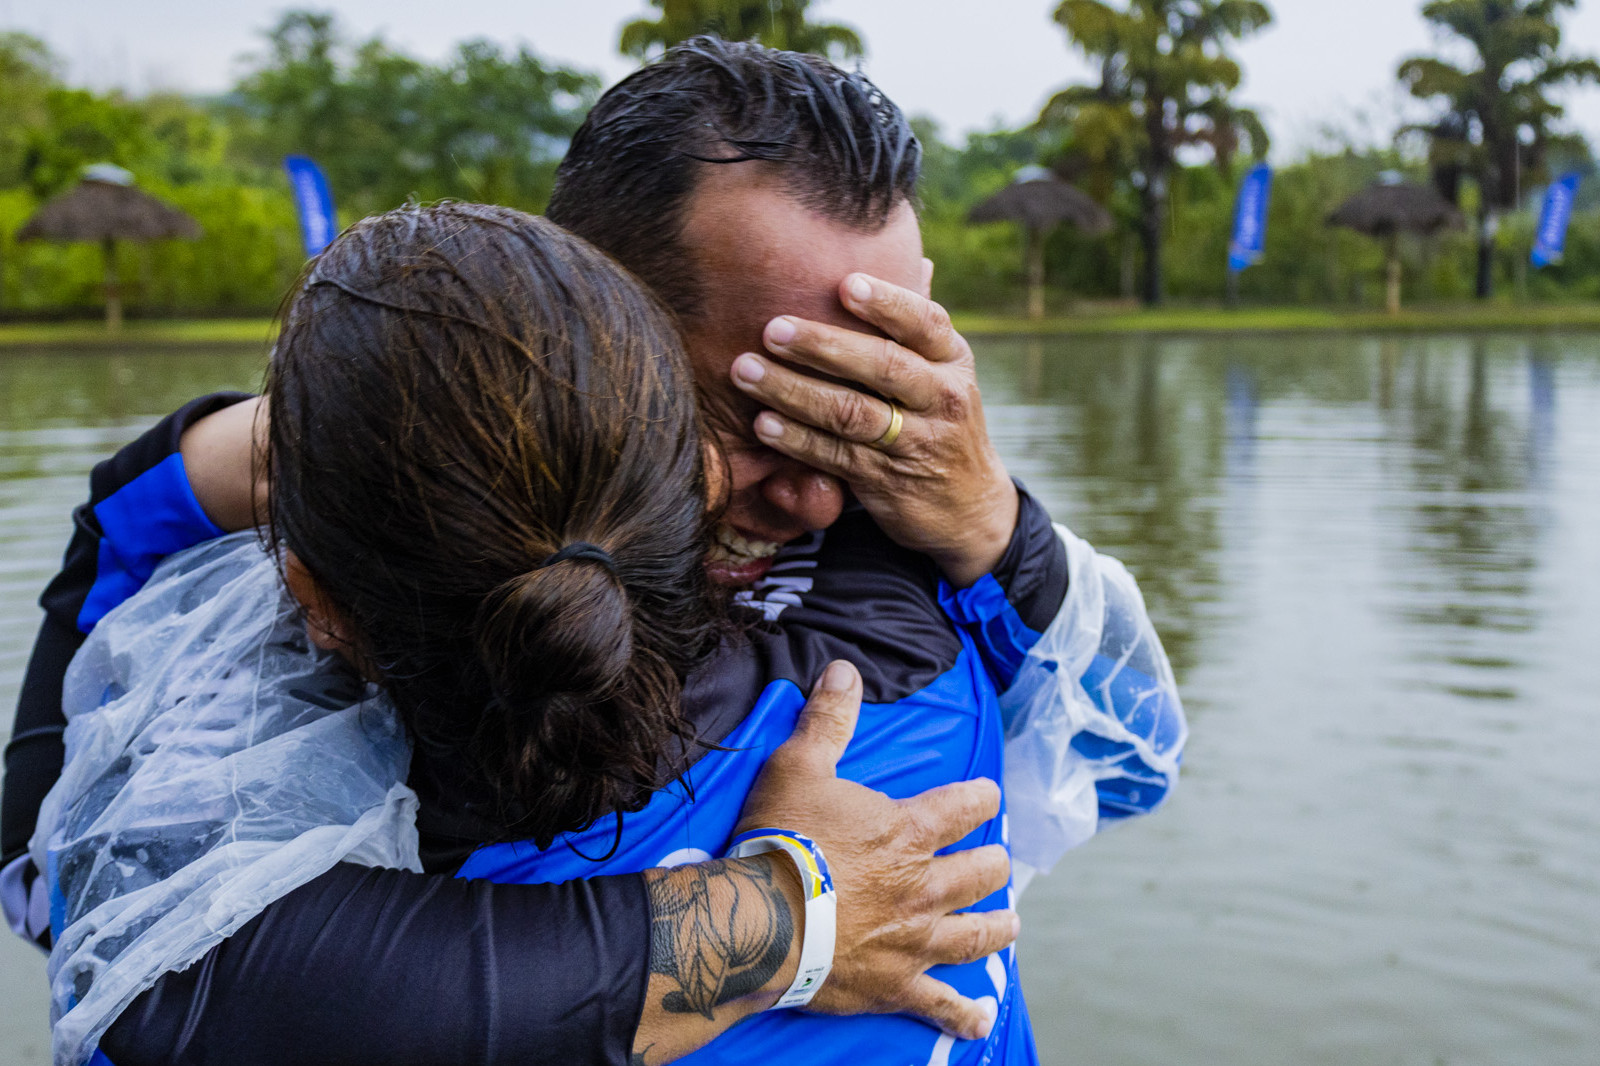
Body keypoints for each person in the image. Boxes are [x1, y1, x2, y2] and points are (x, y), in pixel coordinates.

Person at [3, 37, 1184, 1066]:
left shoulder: (270, 770)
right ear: (595, 329)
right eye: (754, 416)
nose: (826, 497)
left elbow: (81, 893)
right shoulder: (919, 638)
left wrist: (985, 515)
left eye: (869, 405)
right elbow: (1129, 754)